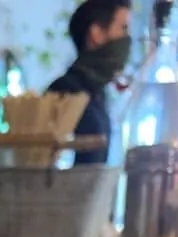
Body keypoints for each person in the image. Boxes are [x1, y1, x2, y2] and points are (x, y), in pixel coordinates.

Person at [48, 0, 132, 165]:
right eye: (123, 28)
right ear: (97, 33)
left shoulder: (99, 93)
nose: (126, 40)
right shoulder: (65, 91)